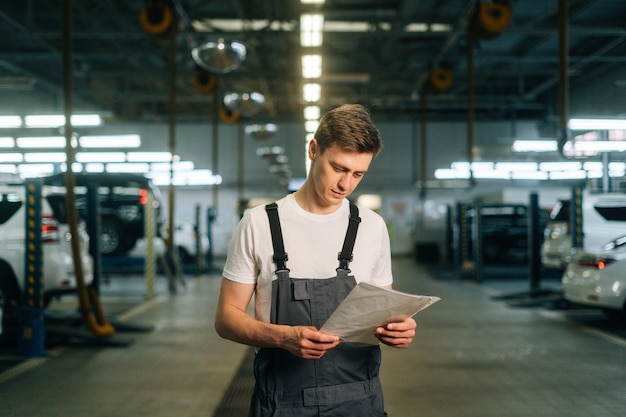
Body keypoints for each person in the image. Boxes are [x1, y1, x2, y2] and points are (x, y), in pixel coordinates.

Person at [215, 104, 417, 417]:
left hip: (359, 403)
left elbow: (384, 311)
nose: (345, 185)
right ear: (314, 150)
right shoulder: (259, 224)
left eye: (358, 174)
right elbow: (226, 317)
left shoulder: (371, 227)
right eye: (338, 168)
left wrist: (398, 329)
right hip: (282, 404)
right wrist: (282, 337)